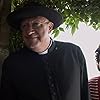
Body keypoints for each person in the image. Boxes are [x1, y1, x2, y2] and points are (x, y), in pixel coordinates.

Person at [0, 1, 90, 100]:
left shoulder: (73, 53)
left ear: (50, 27)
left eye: (36, 24)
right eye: (24, 26)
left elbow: (84, 93)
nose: (29, 31)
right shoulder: (13, 63)